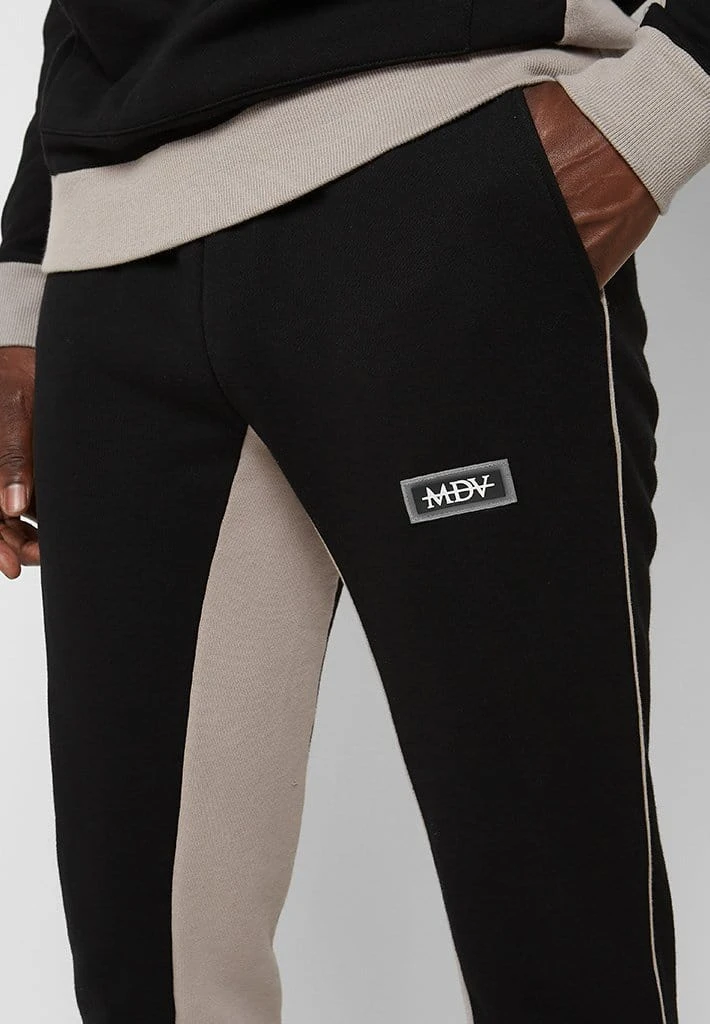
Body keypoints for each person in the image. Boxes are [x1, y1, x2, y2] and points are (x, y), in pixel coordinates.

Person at [0, 1, 707, 1021]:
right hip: (114, 255)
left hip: (438, 173)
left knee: (560, 945)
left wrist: (673, 94)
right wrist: (25, 269)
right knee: (147, 983)